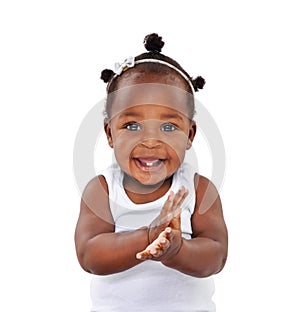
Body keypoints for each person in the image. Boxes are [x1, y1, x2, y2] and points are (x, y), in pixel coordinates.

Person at [75, 33, 228, 312]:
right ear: (110, 133)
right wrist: (147, 236)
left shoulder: (199, 189)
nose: (150, 141)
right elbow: (89, 255)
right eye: (132, 125)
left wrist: (177, 251)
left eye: (169, 127)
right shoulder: (102, 189)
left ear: (189, 135)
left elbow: (216, 255)